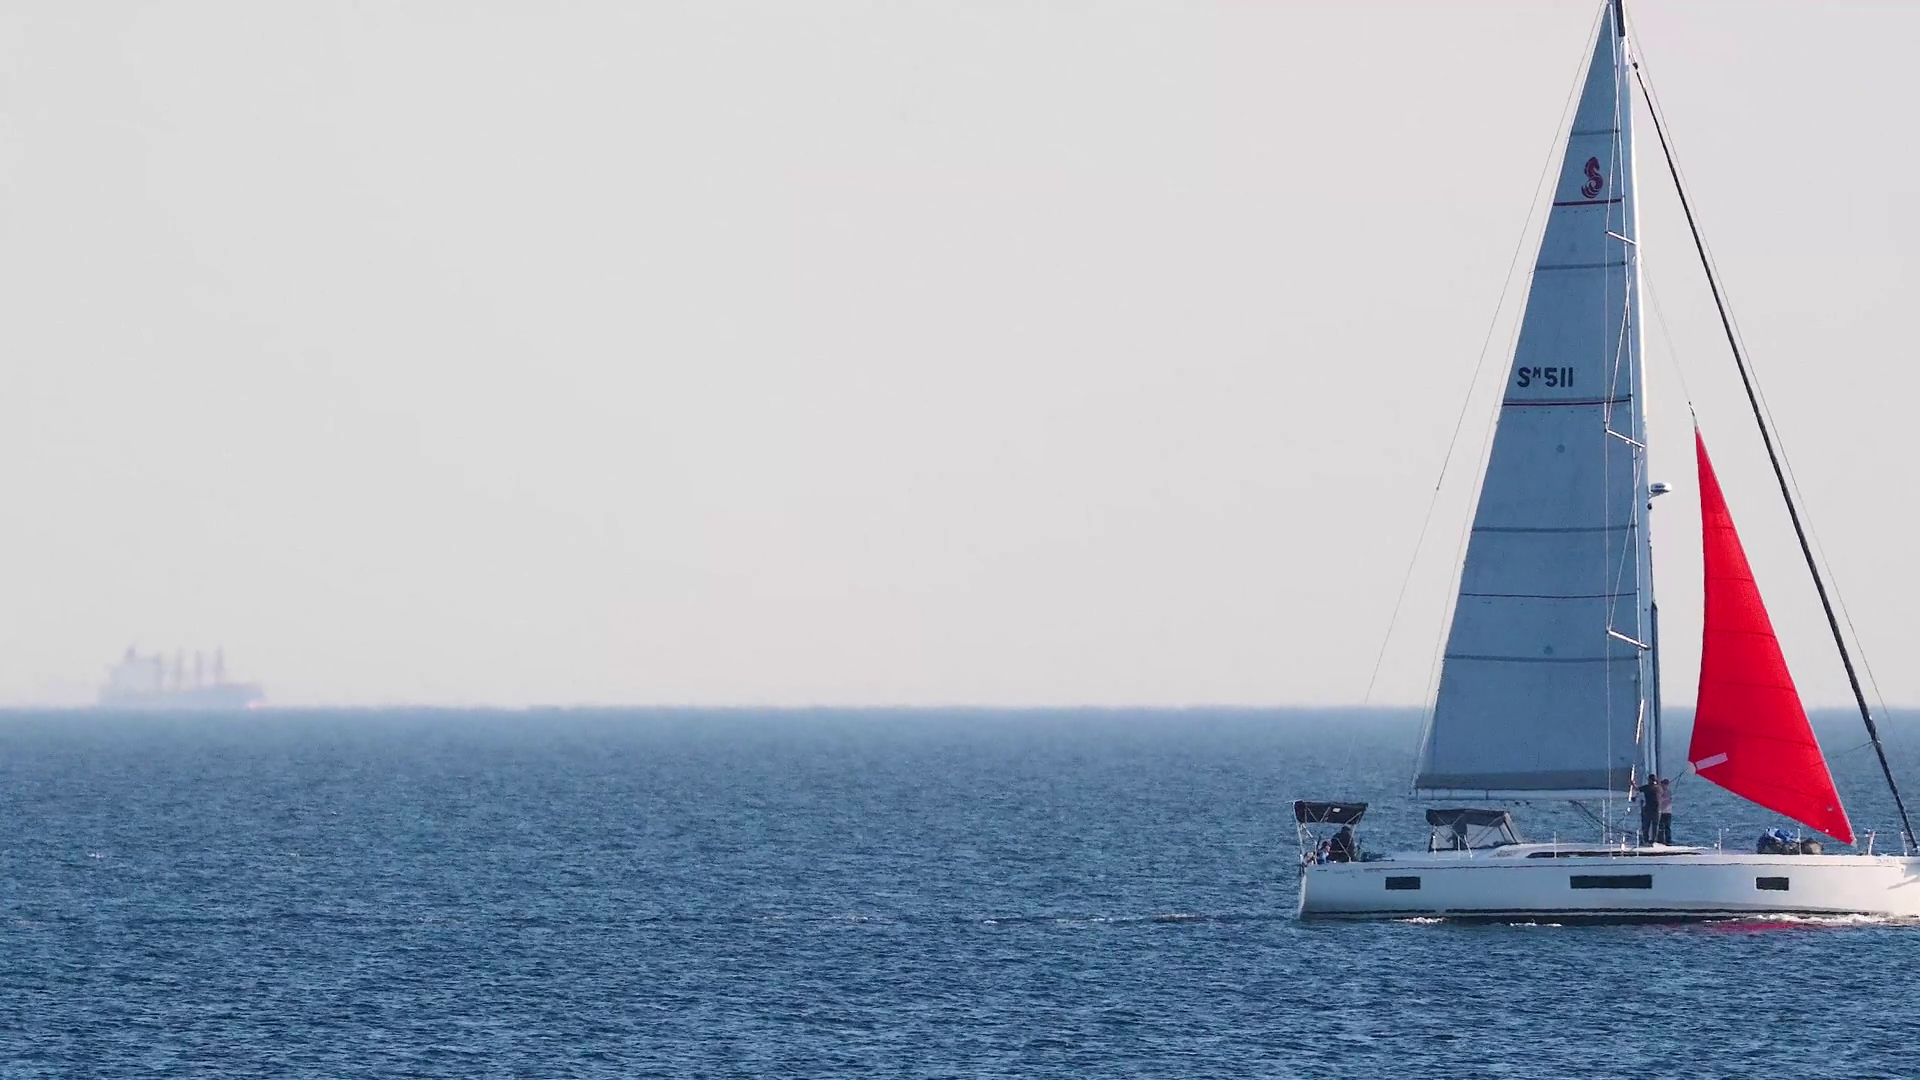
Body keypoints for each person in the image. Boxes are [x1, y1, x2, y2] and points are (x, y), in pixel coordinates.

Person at [1636, 774, 1660, 845]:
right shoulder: (1659, 788)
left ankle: (1646, 840)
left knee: (1646, 826)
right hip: (1657, 809)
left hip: (1648, 809)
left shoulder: (1647, 787)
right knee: (1655, 826)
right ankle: (1654, 840)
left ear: (1649, 780)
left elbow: (1637, 789)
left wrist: (1632, 783)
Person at [1657, 778, 1674, 845]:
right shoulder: (1660, 792)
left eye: (1665, 784)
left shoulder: (1669, 792)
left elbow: (1666, 800)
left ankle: (1668, 841)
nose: (1663, 785)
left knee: (1667, 827)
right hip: (1661, 812)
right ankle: (1660, 840)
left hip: (1667, 812)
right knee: (1660, 827)